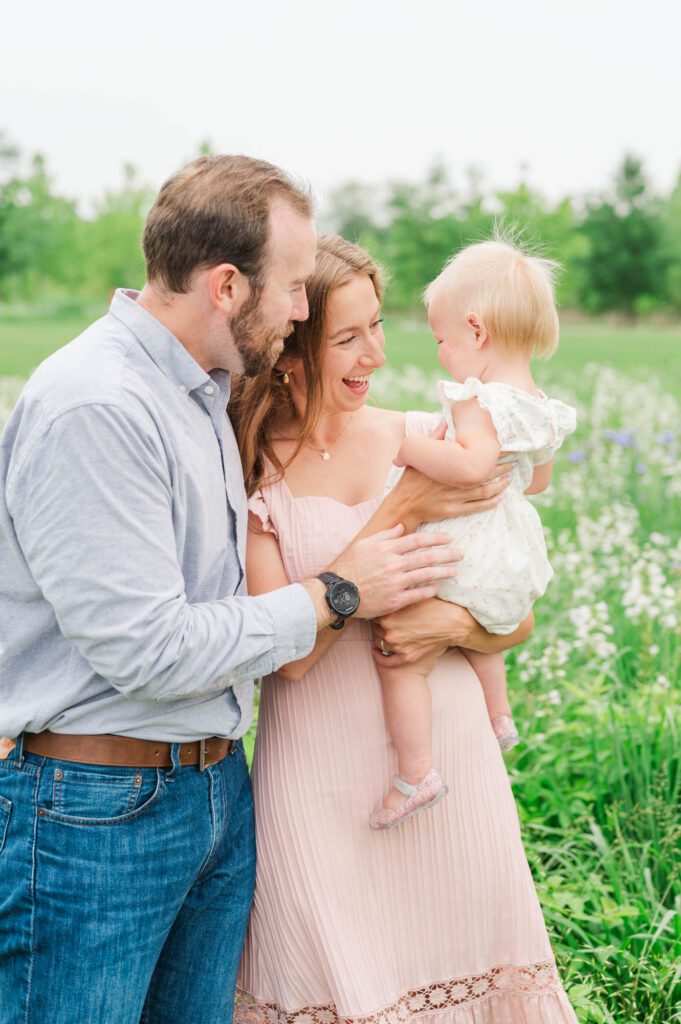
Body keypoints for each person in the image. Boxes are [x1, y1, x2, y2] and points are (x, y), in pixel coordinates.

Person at [0, 156, 470, 1024]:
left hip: (209, 790)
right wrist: (335, 594)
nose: (301, 310)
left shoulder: (202, 393)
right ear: (226, 285)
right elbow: (145, 649)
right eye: (293, 287)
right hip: (95, 813)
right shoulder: (98, 405)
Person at [233, 234, 578, 1024]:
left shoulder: (438, 438)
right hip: (315, 779)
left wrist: (442, 627)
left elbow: (514, 612)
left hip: (443, 763)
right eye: (348, 336)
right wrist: (394, 515)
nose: (377, 356)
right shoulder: (256, 468)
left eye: (380, 327)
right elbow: (284, 662)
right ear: (290, 349)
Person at [371, 238, 577, 830]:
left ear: (476, 330)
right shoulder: (538, 402)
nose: (441, 355)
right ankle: (498, 711)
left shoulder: (477, 400)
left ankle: (415, 773)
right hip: (510, 547)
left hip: (465, 544)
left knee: (401, 661)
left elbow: (465, 467)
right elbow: (535, 482)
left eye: (443, 340)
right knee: (482, 620)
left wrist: (410, 448)